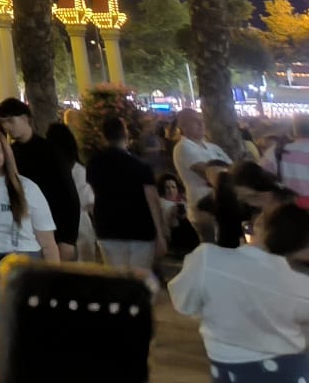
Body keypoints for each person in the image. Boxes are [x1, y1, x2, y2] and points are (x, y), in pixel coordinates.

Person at [171, 199, 309, 382]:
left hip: (229, 368)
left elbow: (183, 303)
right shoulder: (302, 284)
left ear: (259, 225)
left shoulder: (208, 260)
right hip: (292, 369)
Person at [0, 121, 59, 358]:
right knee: (1, 335)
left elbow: (47, 241)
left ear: (6, 152)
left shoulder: (27, 187)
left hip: (26, 266)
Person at [0, 99, 80, 259]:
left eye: (11, 121)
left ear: (26, 118)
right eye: (3, 122)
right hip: (25, 232)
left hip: (55, 229)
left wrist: (68, 239)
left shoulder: (50, 151)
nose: (7, 127)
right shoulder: (10, 153)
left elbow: (69, 196)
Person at [89, 112, 168, 278]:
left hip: (108, 227)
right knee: (139, 278)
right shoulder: (140, 165)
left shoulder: (95, 162)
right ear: (126, 133)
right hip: (139, 229)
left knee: (116, 278)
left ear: (104, 135)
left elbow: (94, 191)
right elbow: (152, 200)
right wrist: (160, 233)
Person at [175, 107, 234, 240]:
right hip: (202, 206)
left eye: (201, 120)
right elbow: (208, 172)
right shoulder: (183, 147)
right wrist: (223, 171)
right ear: (183, 126)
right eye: (195, 121)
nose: (201, 124)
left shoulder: (213, 147)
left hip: (223, 204)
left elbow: (233, 169)